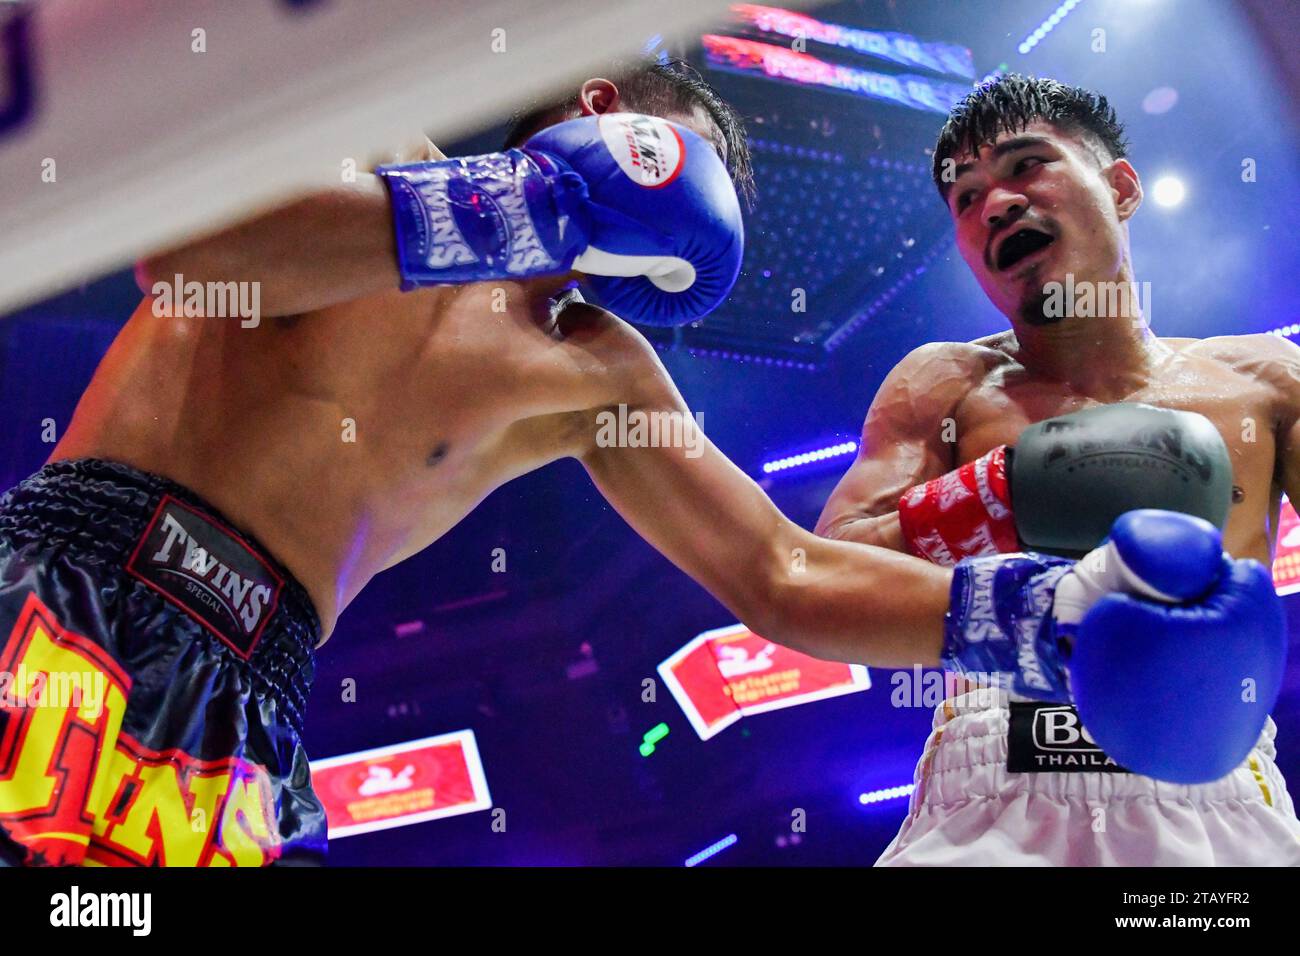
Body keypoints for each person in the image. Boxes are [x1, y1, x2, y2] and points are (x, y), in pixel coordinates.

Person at [0, 61, 1276, 867]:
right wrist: (516, 206)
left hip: (249, 702)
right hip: (77, 585)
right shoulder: (380, 150)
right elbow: (194, 258)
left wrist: (1040, 619)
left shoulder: (592, 369)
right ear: (609, 113)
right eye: (703, 178)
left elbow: (780, 571)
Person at [817, 73, 1300, 865]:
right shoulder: (945, 385)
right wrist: (1002, 491)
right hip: (991, 785)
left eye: (1023, 166)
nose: (995, 205)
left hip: (1217, 787)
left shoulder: (1266, 383)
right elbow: (827, 577)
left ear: (1120, 186)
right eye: (965, 198)